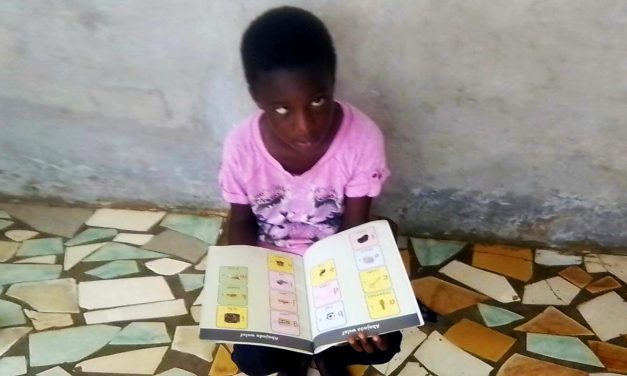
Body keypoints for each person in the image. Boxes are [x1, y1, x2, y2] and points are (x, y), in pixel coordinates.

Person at [219, 6, 401, 376]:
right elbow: (239, 222)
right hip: (274, 269)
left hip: (332, 266)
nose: (305, 127)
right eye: (283, 108)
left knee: (383, 343)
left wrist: (357, 311)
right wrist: (245, 291)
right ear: (257, 97)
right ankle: (293, 360)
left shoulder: (361, 137)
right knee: (255, 359)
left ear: (332, 82)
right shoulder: (241, 145)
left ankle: (330, 356)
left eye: (317, 100)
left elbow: (353, 228)